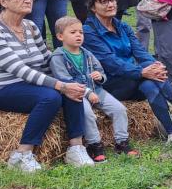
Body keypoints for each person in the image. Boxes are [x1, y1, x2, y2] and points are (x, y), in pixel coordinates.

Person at [0, 0, 94, 171]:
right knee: (51, 96)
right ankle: (22, 154)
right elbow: (19, 70)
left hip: (29, 84)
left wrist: (69, 78)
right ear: (3, 0)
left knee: (72, 88)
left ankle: (76, 148)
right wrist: (61, 86)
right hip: (0, 88)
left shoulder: (30, 27)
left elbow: (47, 60)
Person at [82, 0, 172, 151]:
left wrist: (153, 65)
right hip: (110, 83)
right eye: (103, 1)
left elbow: (140, 52)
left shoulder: (122, 26)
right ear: (92, 6)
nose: (110, 4)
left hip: (132, 78)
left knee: (151, 83)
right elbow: (110, 63)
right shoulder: (89, 31)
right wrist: (143, 71)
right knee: (149, 77)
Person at [50, 16, 139, 163]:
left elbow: (100, 70)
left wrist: (100, 76)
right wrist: (87, 93)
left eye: (81, 32)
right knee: (87, 114)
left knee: (119, 109)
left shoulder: (87, 53)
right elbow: (65, 80)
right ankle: (94, 145)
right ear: (60, 36)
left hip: (96, 89)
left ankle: (121, 142)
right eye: (73, 32)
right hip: (76, 94)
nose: (78, 35)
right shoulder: (58, 56)